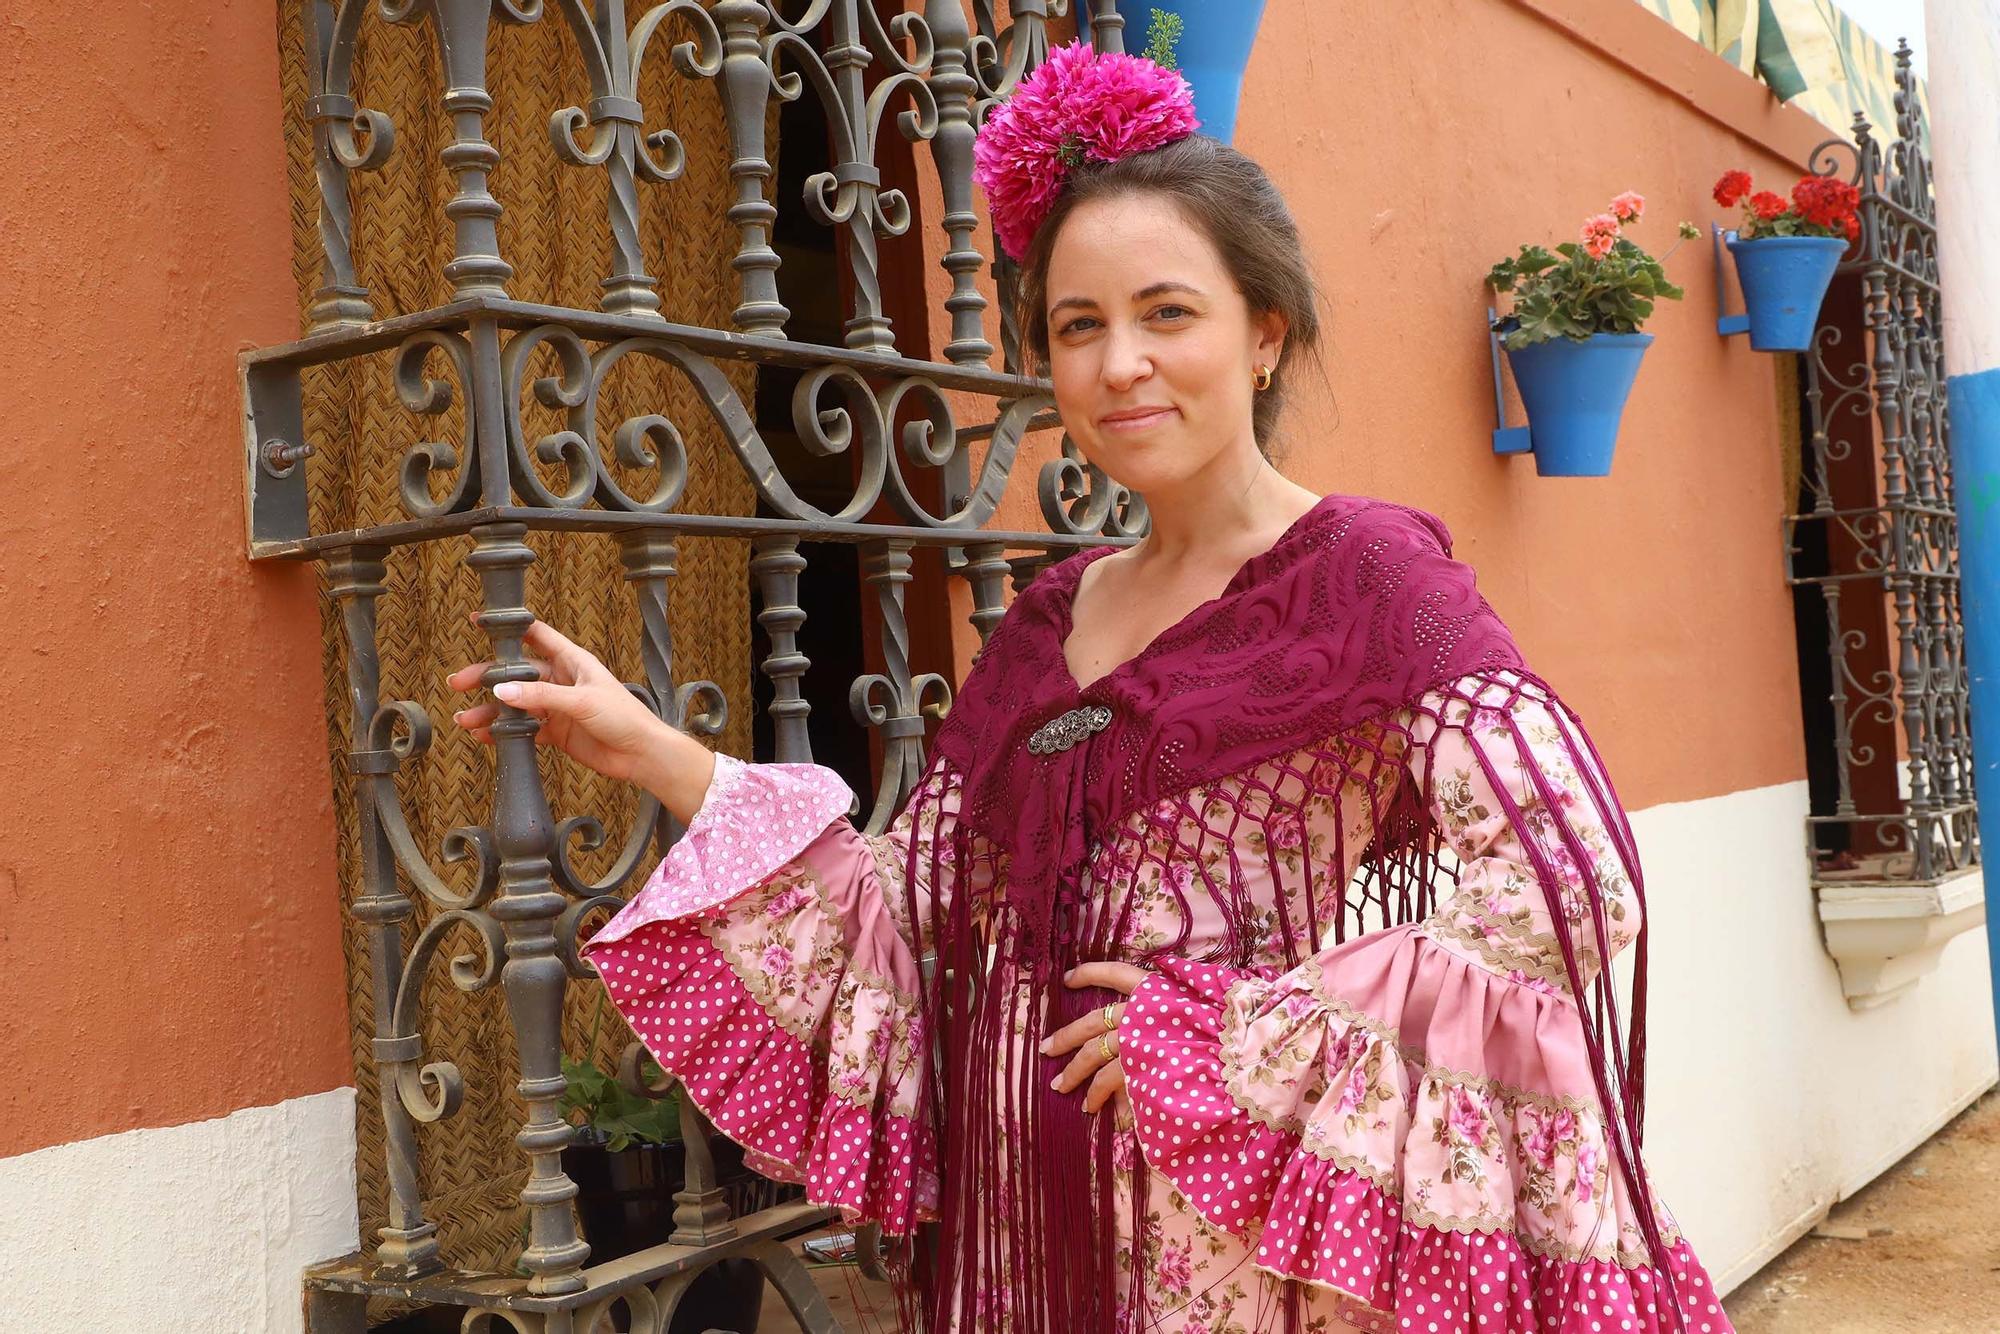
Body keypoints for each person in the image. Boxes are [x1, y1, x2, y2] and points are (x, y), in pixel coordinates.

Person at [447, 41, 1732, 1334]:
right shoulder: (1049, 622)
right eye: (1078, 325)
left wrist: (1234, 1036)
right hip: (1020, 1256)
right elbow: (923, 911)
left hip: (1227, 1261)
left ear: (1266, 332)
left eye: (1167, 312)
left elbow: (1566, 879)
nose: (1121, 363)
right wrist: (660, 753)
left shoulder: (1369, 576)